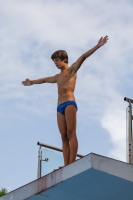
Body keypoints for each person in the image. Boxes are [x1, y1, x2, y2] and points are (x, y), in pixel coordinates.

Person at [22, 36, 109, 166]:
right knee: (63, 136)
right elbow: (44, 80)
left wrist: (97, 46)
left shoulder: (72, 70)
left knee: (71, 132)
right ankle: (66, 164)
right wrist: (32, 82)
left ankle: (72, 163)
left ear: (64, 60)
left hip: (69, 103)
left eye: (57, 60)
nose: (55, 63)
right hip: (59, 106)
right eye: (54, 61)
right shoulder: (57, 77)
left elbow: (83, 57)